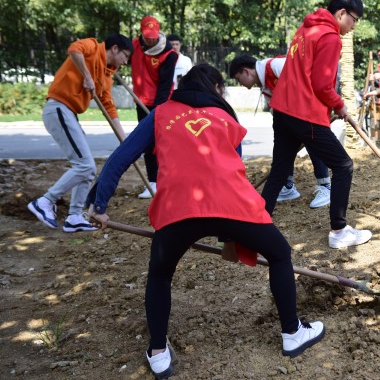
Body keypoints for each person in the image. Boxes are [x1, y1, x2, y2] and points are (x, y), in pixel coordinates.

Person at [85, 64, 325, 378]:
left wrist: (99, 205)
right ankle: (292, 333)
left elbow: (120, 157)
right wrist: (230, 238)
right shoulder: (225, 116)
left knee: (160, 273)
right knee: (279, 254)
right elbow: (232, 172)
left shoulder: (160, 114)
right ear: (216, 88)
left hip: (179, 210)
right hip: (234, 206)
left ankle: (158, 352)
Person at [262, 0, 372, 249]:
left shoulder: (305, 29)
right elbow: (322, 85)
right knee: (343, 165)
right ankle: (339, 231)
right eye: (354, 19)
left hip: (283, 111)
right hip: (305, 114)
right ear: (342, 13)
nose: (354, 26)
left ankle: (256, 226)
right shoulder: (330, 37)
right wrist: (339, 105)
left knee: (279, 170)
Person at [27, 34, 133, 233]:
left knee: (88, 168)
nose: (125, 62)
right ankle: (45, 201)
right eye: (125, 56)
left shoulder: (106, 76)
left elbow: (109, 107)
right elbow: (74, 49)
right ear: (114, 49)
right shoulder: (93, 47)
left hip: (69, 114)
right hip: (59, 108)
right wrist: (87, 75)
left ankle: (74, 217)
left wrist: (125, 141)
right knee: (85, 165)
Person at [229, 54, 332, 208]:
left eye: (239, 79)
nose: (241, 84)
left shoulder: (276, 66)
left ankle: (325, 186)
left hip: (309, 111)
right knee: (283, 150)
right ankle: (288, 186)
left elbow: (306, 81)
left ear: (246, 72)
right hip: (291, 118)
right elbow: (275, 110)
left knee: (313, 142)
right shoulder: (264, 84)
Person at [131, 16, 178, 198]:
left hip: (160, 103)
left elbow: (165, 86)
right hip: (140, 101)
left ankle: (168, 179)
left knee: (162, 142)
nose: (150, 40)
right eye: (147, 36)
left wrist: (157, 110)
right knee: (147, 143)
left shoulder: (168, 54)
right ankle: (153, 182)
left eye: (153, 36)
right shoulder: (134, 46)